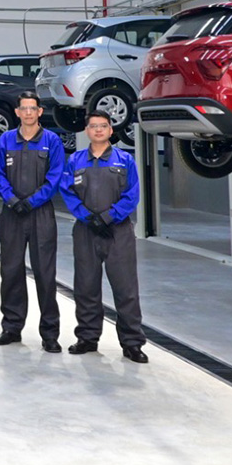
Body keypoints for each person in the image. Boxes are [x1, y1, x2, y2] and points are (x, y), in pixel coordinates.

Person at [60, 110, 148, 363]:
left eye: (103, 126)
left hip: (118, 232)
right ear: (87, 131)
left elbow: (132, 194)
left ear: (110, 130)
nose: (98, 130)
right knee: (85, 286)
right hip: (86, 230)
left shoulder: (125, 160)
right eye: (93, 126)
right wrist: (88, 217)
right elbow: (67, 192)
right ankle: (87, 338)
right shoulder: (75, 160)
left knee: (125, 288)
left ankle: (132, 343)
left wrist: (109, 217)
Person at [0, 91, 66, 352]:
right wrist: (12, 200)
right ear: (17, 112)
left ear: (40, 111)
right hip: (11, 213)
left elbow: (55, 177)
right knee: (11, 271)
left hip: (41, 214)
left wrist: (32, 201)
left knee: (45, 274)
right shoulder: (5, 140)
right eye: (24, 108)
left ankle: (50, 334)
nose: (28, 113)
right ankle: (11, 327)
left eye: (33, 108)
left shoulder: (51, 141)